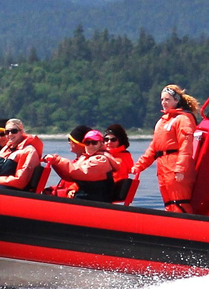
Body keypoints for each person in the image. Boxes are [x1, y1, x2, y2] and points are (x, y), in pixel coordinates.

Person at [133, 84, 200, 213]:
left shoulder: (183, 119)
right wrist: (139, 166)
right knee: (169, 203)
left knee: (180, 203)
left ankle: (186, 228)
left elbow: (186, 146)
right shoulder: (162, 121)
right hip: (163, 168)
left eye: (167, 99)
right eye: (162, 99)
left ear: (176, 101)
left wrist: (180, 168)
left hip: (176, 167)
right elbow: (153, 148)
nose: (164, 102)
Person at [44, 130, 120, 202]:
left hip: (95, 201)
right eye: (87, 143)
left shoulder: (101, 160)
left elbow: (76, 171)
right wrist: (55, 163)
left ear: (101, 143)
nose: (90, 145)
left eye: (94, 142)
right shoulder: (86, 158)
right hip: (85, 198)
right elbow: (69, 176)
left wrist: (57, 160)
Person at [0, 118, 43, 190]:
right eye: (7, 132)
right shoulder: (5, 149)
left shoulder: (28, 151)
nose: (10, 134)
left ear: (21, 131)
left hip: (15, 191)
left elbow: (20, 181)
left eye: (14, 131)